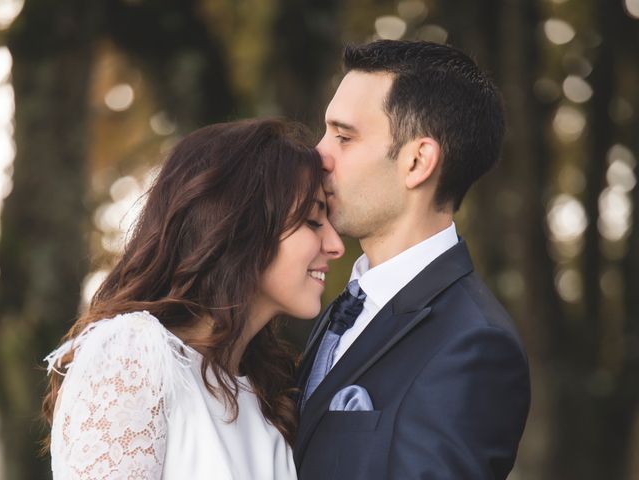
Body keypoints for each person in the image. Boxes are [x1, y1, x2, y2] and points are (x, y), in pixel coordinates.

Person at [42, 118, 345, 479]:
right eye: (312, 220)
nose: (336, 245)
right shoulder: (133, 356)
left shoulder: (270, 398)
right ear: (241, 224)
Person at [294, 40, 531, 479]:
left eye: (343, 137)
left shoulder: (472, 345)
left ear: (418, 161)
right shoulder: (338, 311)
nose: (318, 154)